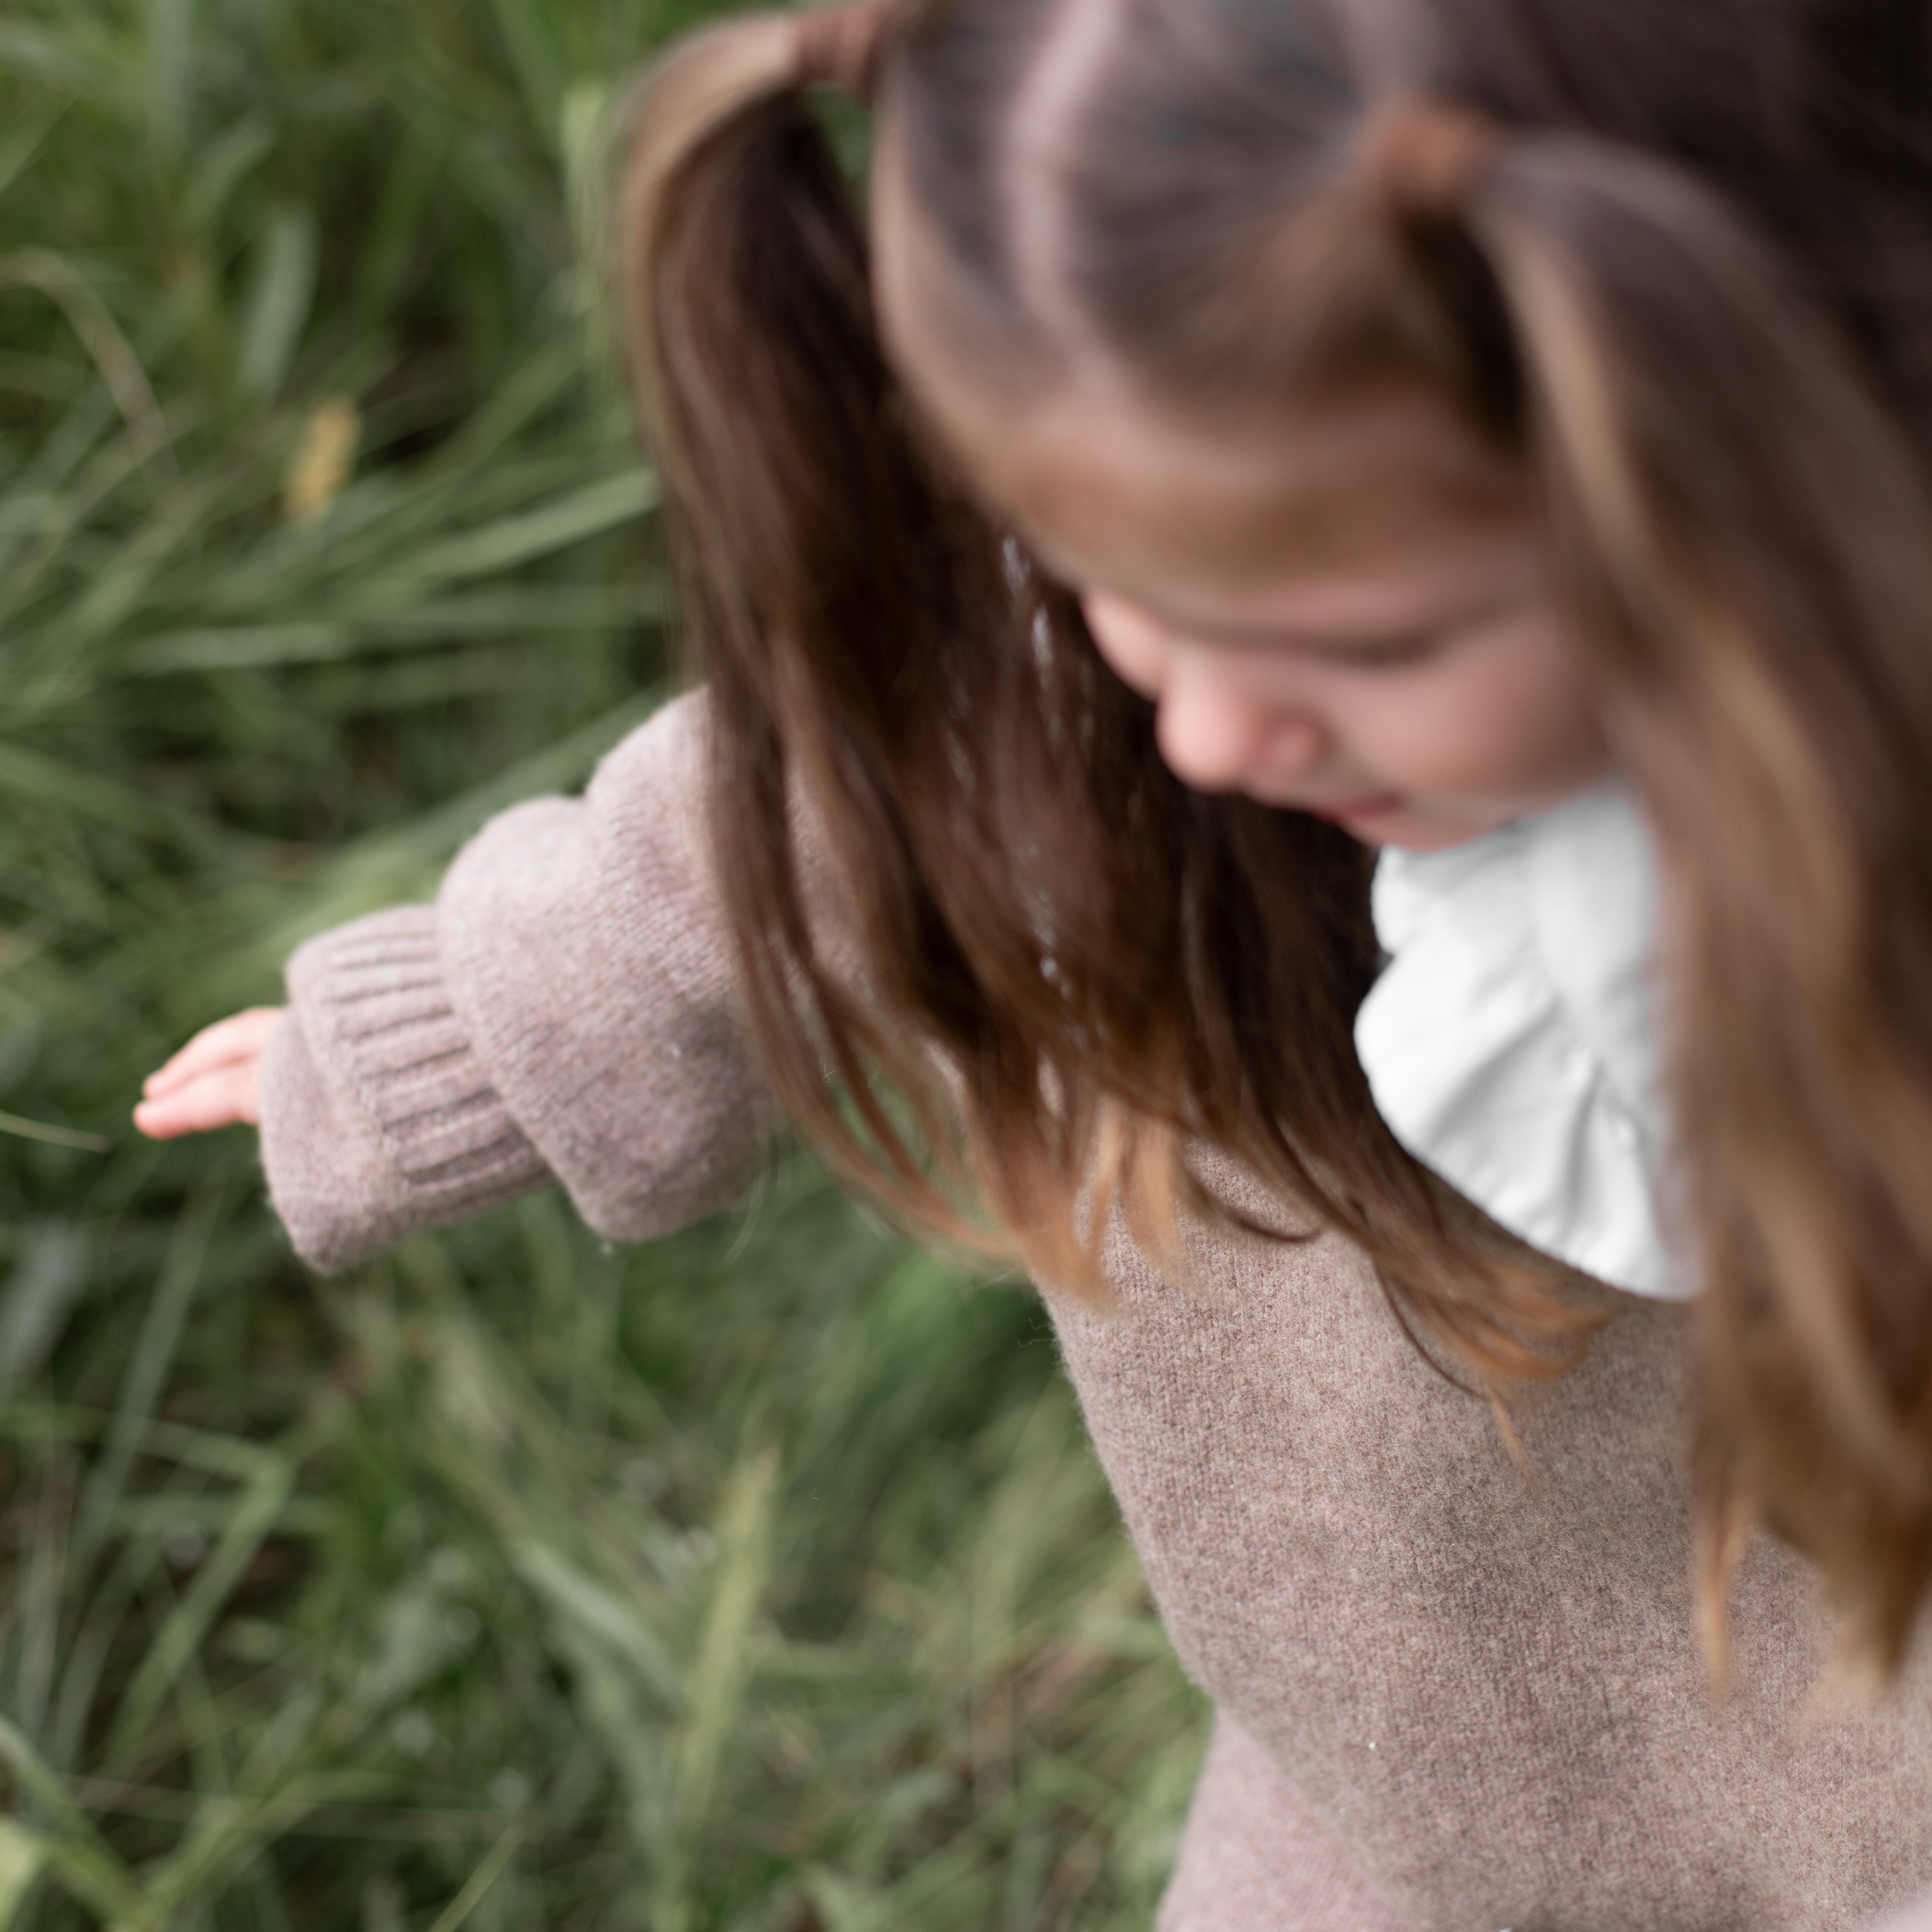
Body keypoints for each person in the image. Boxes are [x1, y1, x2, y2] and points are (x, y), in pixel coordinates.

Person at [134, 0, 1932, 1923]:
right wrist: (492, 1017)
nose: (1218, 732)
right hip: (1388, 1754)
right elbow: (830, 791)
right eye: (1125, 594)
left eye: (1373, 646)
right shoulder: (1105, 671)